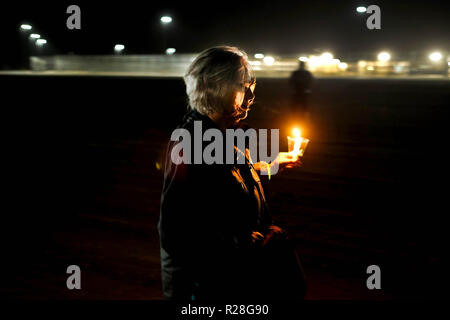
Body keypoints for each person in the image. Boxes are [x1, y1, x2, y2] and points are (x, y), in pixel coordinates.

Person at [158, 46, 307, 300]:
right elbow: (175, 232)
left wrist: (270, 165)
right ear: (212, 86)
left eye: (252, 85)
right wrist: (243, 244)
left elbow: (228, 178)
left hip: (234, 280)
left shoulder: (226, 134)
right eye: (242, 85)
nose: (251, 94)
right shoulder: (190, 144)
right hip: (206, 291)